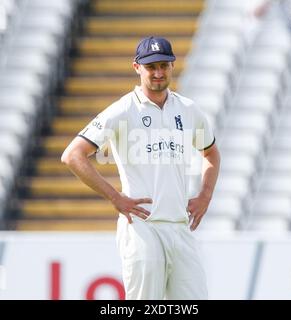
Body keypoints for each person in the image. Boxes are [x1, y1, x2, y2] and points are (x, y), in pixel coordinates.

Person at [61, 36, 220, 300]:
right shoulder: (122, 110)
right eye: (151, 67)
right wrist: (115, 198)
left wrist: (205, 195)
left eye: (163, 66)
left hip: (181, 227)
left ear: (172, 66)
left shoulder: (188, 110)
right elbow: (73, 155)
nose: (158, 73)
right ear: (137, 67)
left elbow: (212, 153)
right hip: (142, 228)